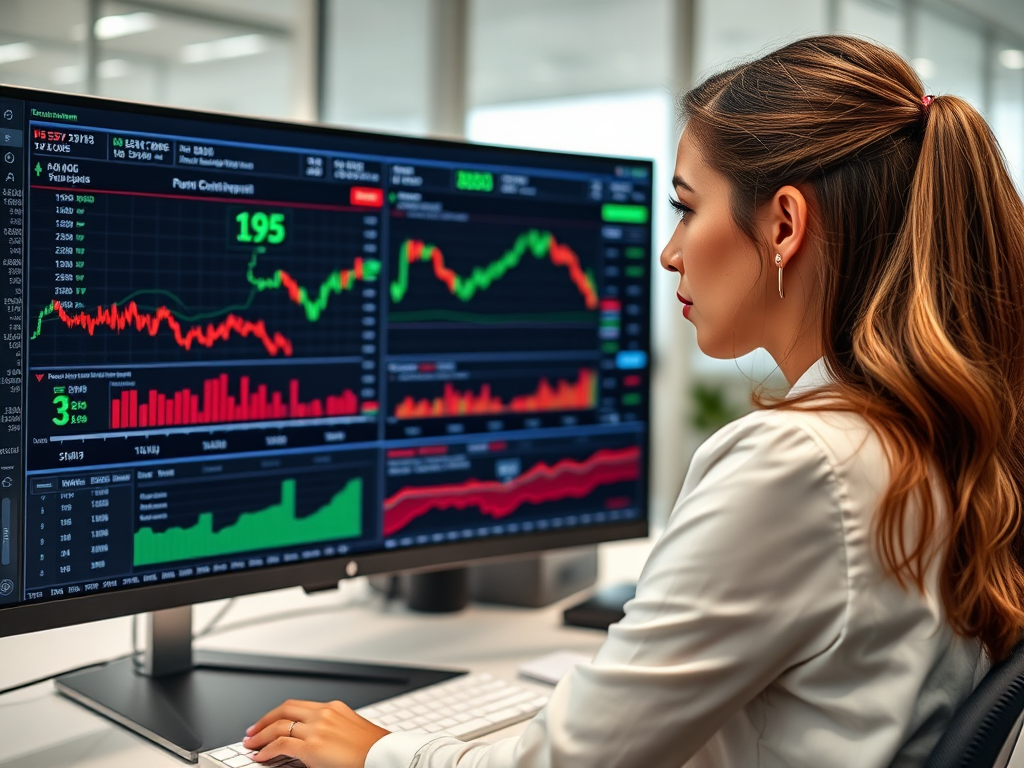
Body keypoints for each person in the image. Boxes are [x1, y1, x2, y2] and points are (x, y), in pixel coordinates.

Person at [242, 34, 1024, 767]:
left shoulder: (801, 463)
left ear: (784, 223)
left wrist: (381, 750)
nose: (669, 251)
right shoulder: (934, 431)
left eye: (687, 206)